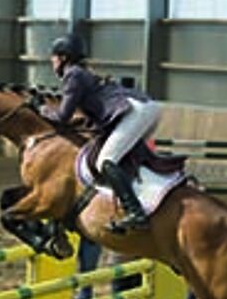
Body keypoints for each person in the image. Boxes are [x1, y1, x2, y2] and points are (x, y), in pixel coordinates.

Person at [40, 33, 161, 233]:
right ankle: (138, 201)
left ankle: (135, 212)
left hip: (136, 111)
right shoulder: (82, 73)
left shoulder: (73, 74)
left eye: (53, 57)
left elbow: (62, 116)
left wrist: (42, 110)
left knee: (105, 160)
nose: (52, 62)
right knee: (120, 158)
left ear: (63, 57)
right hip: (146, 108)